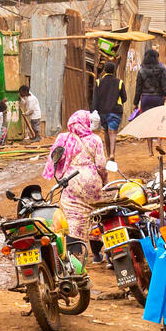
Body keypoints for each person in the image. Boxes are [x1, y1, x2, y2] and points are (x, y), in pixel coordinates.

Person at [49, 110, 110, 258]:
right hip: (92, 183)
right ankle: (97, 254)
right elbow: (101, 165)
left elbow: (55, 160)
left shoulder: (64, 139)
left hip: (71, 181)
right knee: (96, 216)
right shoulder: (95, 139)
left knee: (73, 218)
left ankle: (73, 255)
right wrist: (105, 180)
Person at [92, 72, 125, 156]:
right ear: (113, 71)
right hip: (115, 110)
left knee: (106, 131)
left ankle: (108, 154)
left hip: (102, 111)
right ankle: (112, 154)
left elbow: (95, 98)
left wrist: (94, 110)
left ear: (105, 70)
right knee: (113, 132)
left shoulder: (99, 82)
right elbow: (124, 98)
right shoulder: (119, 82)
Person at [134, 48, 166, 116]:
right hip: (158, 99)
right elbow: (165, 87)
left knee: (146, 119)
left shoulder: (141, 71)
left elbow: (138, 88)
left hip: (146, 99)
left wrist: (135, 103)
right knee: (157, 120)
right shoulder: (161, 70)